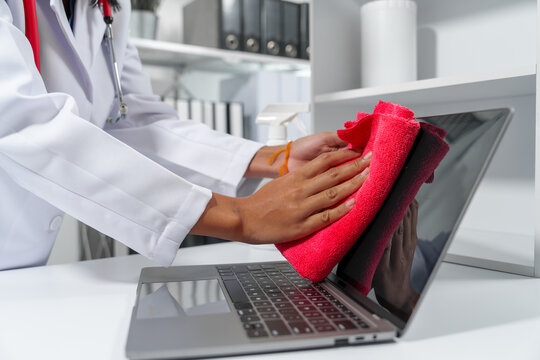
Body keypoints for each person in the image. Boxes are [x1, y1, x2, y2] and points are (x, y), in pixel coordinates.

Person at [0, 0, 370, 270]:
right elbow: (24, 123)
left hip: (25, 268)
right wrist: (240, 216)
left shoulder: (108, 7)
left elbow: (133, 121)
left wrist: (275, 157)